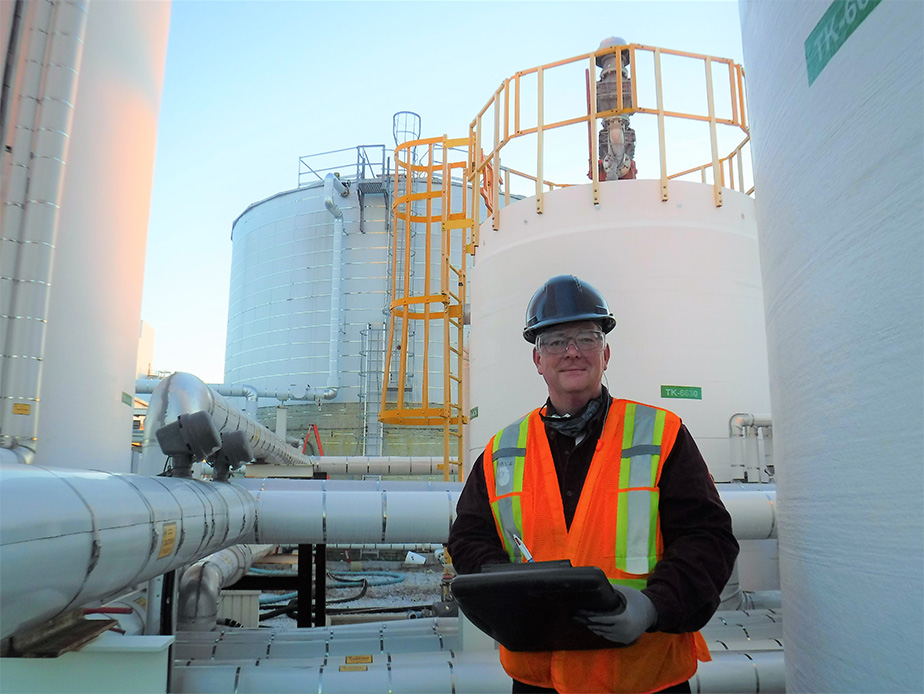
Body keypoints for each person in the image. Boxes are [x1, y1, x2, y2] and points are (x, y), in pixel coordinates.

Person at [447, 274, 739, 694]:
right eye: (554, 341)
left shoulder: (662, 434)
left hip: (644, 675)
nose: (571, 352)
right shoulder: (502, 450)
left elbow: (707, 538)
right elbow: (470, 540)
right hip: (541, 678)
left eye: (586, 337)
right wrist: (511, 604)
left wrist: (653, 605)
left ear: (606, 352)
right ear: (537, 359)